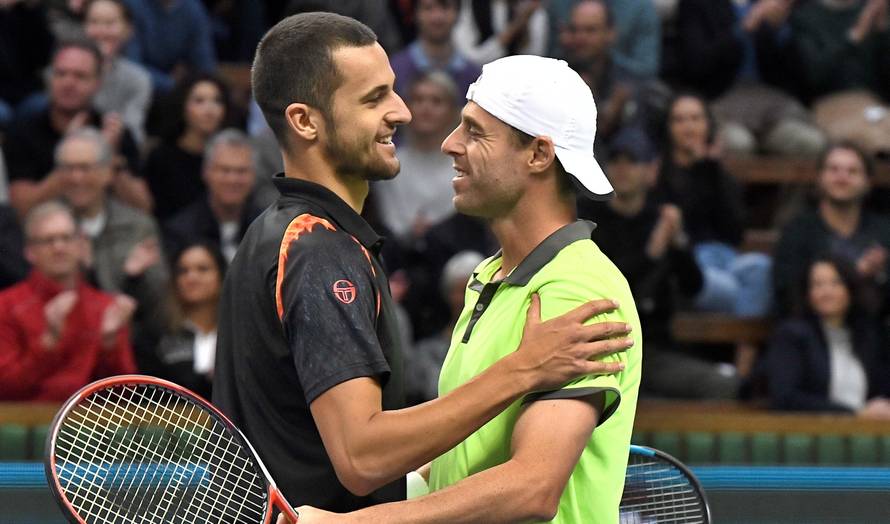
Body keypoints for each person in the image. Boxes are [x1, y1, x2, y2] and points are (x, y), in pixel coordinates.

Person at [215, 12, 632, 514]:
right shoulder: (317, 246)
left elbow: (530, 486)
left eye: (474, 132)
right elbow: (365, 457)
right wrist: (522, 370)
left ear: (539, 155)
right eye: (374, 98)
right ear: (304, 121)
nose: (410, 116)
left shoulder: (577, 289)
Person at [583, 127, 739, 399]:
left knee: (724, 384)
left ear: (652, 169)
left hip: (653, 349)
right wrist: (653, 252)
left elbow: (694, 286)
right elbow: (612, 290)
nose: (622, 169)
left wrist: (678, 244)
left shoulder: (660, 217)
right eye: (616, 161)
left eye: (632, 161)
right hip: (600, 347)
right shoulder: (589, 221)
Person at [56, 127, 169, 373]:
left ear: (108, 173)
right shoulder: (48, 227)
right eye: (68, 168)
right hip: (63, 357)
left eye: (85, 168)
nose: (76, 178)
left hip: (129, 356)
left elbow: (160, 310)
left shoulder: (138, 226)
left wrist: (135, 279)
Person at [0, 201, 137, 401]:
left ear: (82, 245)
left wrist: (109, 344)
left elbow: (127, 396)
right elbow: (5, 390)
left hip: (88, 426)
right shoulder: (6, 305)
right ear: (29, 251)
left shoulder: (105, 307)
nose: (59, 247)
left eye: (67, 238)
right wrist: (47, 344)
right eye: (48, 240)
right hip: (24, 426)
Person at [655, 92, 772, 317]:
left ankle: (741, 344)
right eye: (679, 120)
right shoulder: (658, 175)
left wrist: (710, 169)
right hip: (690, 265)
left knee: (761, 267)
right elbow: (682, 224)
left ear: (708, 125)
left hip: (727, 259)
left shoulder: (719, 173)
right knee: (731, 290)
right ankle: (742, 345)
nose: (688, 127)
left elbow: (735, 231)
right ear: (668, 128)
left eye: (695, 118)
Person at [3, 39, 144, 218]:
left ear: (98, 82)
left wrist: (108, 157)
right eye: (61, 74)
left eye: (80, 76)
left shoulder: (114, 131)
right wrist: (70, 152)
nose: (68, 83)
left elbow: (142, 208)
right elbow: (22, 210)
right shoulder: (22, 132)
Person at [674, 0, 827, 156]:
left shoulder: (779, 5)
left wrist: (780, 30)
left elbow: (802, 74)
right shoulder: (697, 4)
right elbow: (697, 65)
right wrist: (745, 27)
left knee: (810, 142)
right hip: (722, 102)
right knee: (739, 143)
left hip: (773, 105)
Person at [773, 141, 890, 315]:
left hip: (873, 332)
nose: (842, 177)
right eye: (833, 169)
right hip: (813, 333)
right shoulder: (797, 231)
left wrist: (880, 275)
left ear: (868, 181)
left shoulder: (884, 232)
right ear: (819, 177)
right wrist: (855, 275)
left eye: (853, 171)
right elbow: (788, 294)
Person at [766, 256, 890, 416]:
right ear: (807, 293)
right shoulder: (792, 335)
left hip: (868, 432)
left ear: (850, 289)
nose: (827, 292)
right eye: (817, 285)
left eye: (836, 283)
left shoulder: (869, 334)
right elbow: (785, 398)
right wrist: (854, 414)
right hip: (811, 433)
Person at [372, 71, 459, 242]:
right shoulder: (389, 163)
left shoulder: (464, 166)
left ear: (452, 111)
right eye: (418, 100)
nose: (426, 108)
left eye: (436, 101)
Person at [163, 128, 262, 262]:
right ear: (205, 172)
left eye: (241, 171)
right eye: (224, 170)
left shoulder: (267, 229)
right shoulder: (180, 232)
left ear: (254, 176)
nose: (232, 179)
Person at [143, 73, 230, 220]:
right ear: (183, 106)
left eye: (217, 101)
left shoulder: (234, 156)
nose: (209, 110)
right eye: (199, 101)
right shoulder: (161, 157)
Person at [406, 250, 484, 404]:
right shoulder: (426, 351)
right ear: (447, 293)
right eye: (462, 291)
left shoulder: (497, 342)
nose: (468, 298)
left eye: (476, 291)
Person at [154, 241, 226, 398]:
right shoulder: (157, 335)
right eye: (183, 271)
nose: (191, 277)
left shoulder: (238, 334)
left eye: (203, 269)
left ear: (221, 275)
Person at [84, 0, 153, 144]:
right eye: (94, 22)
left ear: (128, 30)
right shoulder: (64, 70)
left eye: (109, 23)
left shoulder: (138, 79)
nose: (101, 31)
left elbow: (134, 134)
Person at [388, 0, 480, 104]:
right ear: (415, 14)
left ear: (458, 13)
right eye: (428, 8)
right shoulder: (394, 70)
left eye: (445, 7)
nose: (437, 17)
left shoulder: (473, 76)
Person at [123, 0, 217, 94]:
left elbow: (205, 65)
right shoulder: (133, 5)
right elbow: (132, 67)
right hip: (136, 87)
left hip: (178, 89)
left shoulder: (193, 8)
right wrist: (172, 84)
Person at [452, 0, 549, 66]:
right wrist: (515, 27)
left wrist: (525, 25)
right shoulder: (469, 5)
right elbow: (471, 58)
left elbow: (533, 57)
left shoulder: (532, 10)